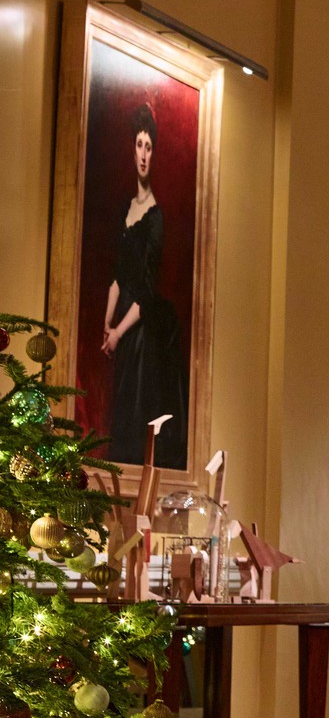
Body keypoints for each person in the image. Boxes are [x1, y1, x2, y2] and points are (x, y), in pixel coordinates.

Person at [99, 102, 185, 463]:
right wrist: (107, 323)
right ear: (132, 148)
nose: (144, 155)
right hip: (120, 320)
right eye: (139, 145)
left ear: (155, 152)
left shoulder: (155, 217)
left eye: (149, 147)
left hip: (140, 332)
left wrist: (119, 332)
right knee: (119, 412)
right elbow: (118, 275)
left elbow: (146, 290)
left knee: (136, 417)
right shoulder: (125, 208)